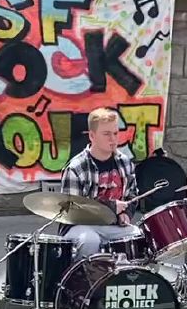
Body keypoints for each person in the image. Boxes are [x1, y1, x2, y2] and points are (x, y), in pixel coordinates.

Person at [59, 107, 142, 258]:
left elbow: (132, 195)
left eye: (115, 133)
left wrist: (126, 213)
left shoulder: (125, 163)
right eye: (106, 134)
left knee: (137, 235)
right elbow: (72, 210)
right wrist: (111, 207)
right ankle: (83, 274)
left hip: (112, 225)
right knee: (90, 240)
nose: (113, 139)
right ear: (92, 136)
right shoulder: (76, 168)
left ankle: (126, 272)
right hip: (80, 226)